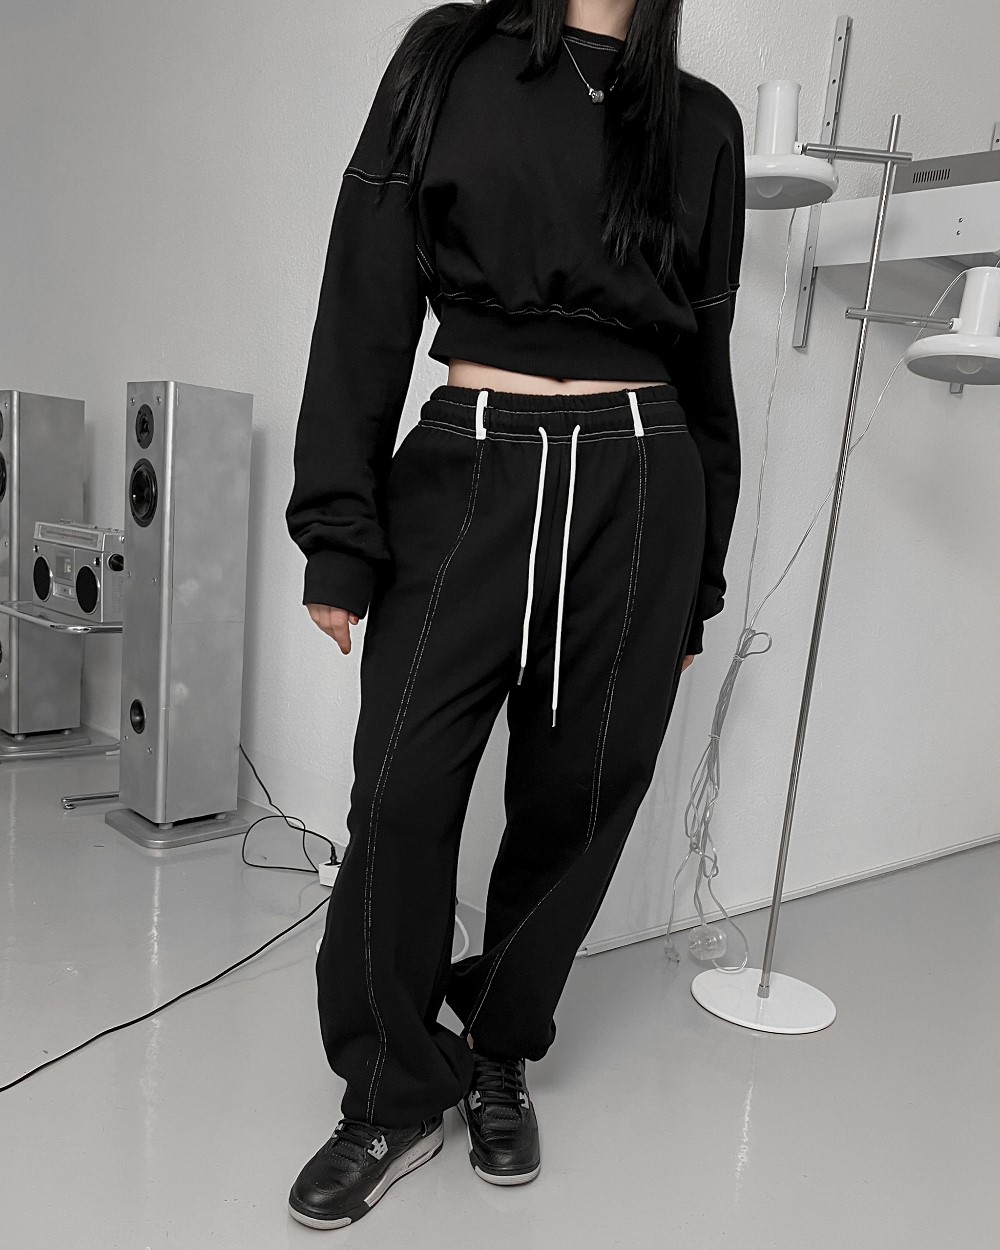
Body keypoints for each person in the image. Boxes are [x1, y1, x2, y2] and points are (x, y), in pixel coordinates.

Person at [283, 0, 745, 1230]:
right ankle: (389, 1091)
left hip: (643, 480)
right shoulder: (446, 58)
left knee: (581, 796)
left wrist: (698, 580)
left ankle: (498, 1041)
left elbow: (707, 364)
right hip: (467, 462)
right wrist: (340, 529)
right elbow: (366, 289)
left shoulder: (700, 122)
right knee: (399, 791)